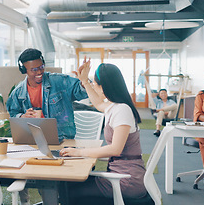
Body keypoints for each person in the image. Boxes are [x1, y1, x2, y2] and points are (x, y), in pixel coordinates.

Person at [60, 59, 147, 203]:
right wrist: (85, 81)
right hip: (120, 175)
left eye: (95, 83)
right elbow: (99, 104)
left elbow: (115, 149)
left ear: (103, 87)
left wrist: (79, 152)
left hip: (127, 181)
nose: (94, 86)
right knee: (67, 185)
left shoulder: (122, 110)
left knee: (68, 190)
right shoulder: (115, 107)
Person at [6, 48, 88, 140]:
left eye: (41, 67)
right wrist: (22, 116)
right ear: (24, 70)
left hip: (62, 139)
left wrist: (84, 82)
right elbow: (13, 114)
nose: (39, 72)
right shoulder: (18, 92)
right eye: (34, 70)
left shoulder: (59, 81)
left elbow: (81, 92)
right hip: (33, 139)